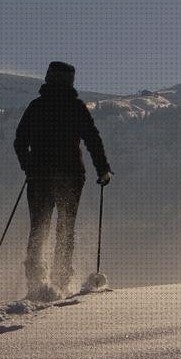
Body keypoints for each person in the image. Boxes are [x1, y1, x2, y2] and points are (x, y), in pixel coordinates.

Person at [13, 61, 112, 299]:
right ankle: (61, 279)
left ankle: (36, 284)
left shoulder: (36, 106)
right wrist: (103, 170)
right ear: (71, 81)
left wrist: (28, 166)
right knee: (66, 228)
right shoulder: (76, 107)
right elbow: (92, 139)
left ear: (48, 78)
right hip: (71, 176)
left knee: (39, 227)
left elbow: (19, 141)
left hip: (39, 177)